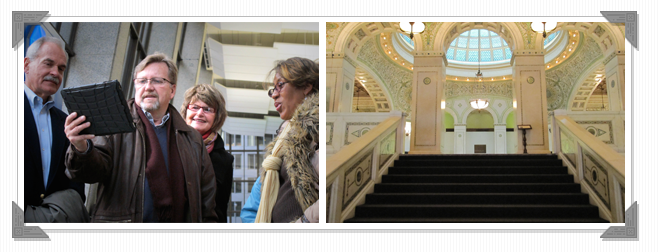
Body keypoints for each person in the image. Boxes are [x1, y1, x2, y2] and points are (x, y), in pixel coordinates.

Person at [64, 53, 218, 223]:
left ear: (172, 90)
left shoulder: (192, 138)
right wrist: (81, 147)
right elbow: (91, 174)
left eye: (157, 81)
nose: (149, 87)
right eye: (142, 81)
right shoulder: (115, 123)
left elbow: (206, 200)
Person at [23, 36, 87, 222]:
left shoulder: (66, 122)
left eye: (61, 68)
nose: (55, 73)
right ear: (26, 65)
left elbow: (74, 182)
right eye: (48, 64)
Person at [254, 57, 319, 223]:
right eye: (272, 90)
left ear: (305, 86)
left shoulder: (315, 128)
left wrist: (304, 222)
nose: (274, 95)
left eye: (280, 85)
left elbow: (332, 188)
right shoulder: (285, 135)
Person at [180, 84, 233, 223]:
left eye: (207, 109)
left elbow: (220, 207)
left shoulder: (225, 160)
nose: (199, 114)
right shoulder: (169, 143)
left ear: (217, 117)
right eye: (195, 107)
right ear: (186, 111)